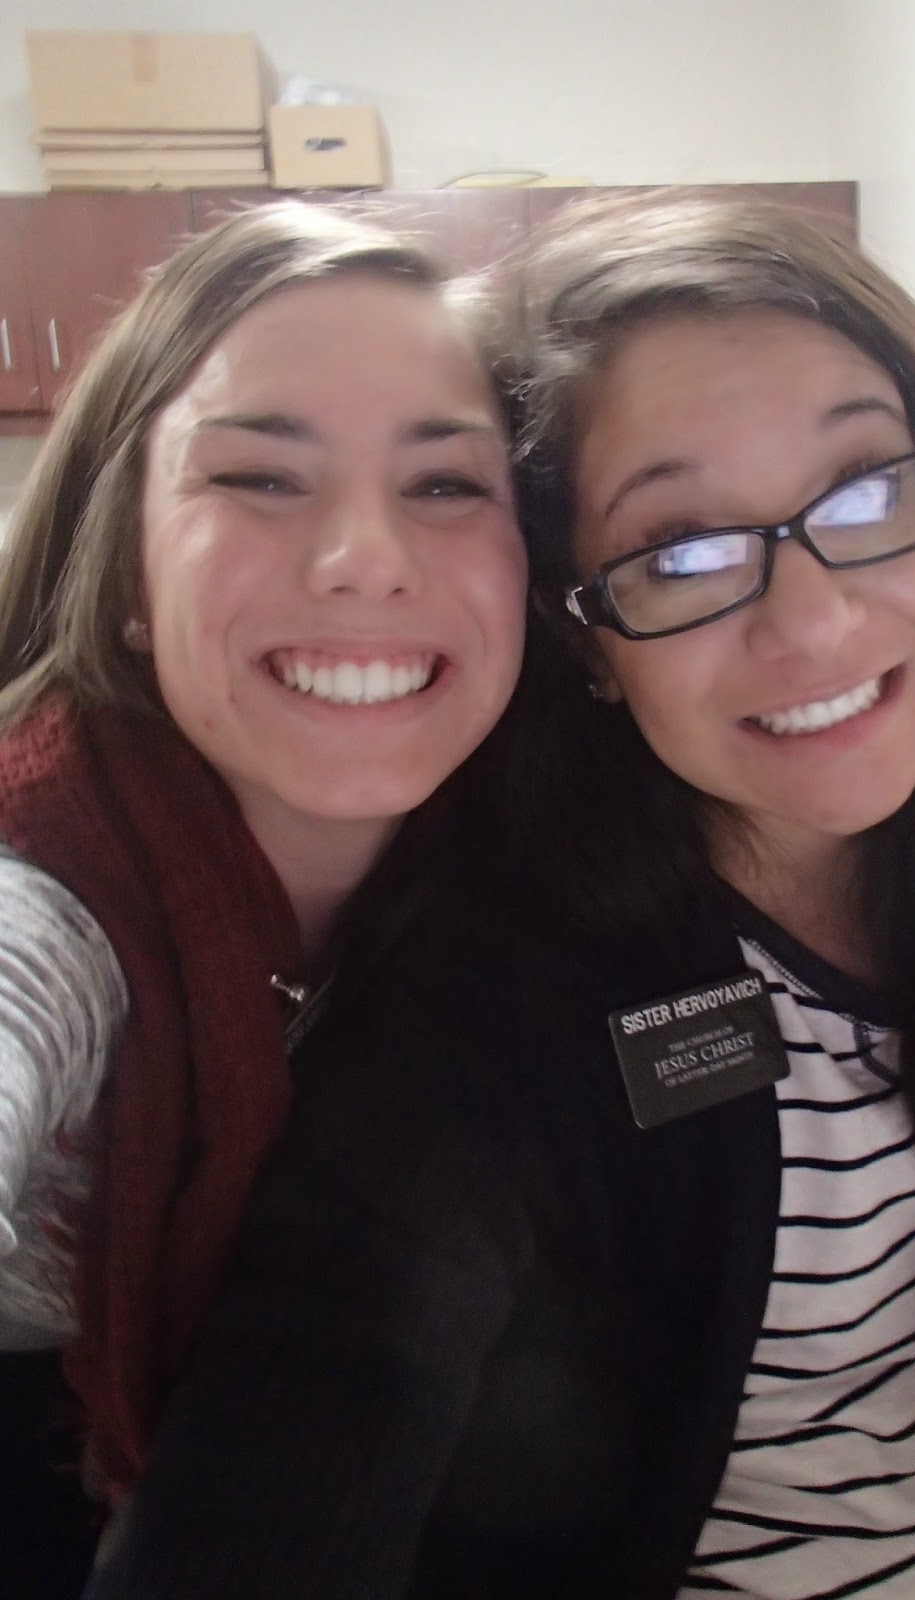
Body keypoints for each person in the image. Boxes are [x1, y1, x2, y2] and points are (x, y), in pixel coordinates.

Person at [84, 193, 915, 1600]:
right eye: (680, 551)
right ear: (589, 642)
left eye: (865, 490)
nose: (815, 620)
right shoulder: (493, 1018)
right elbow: (298, 1439)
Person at [0, 201, 526, 1595]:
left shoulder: (538, 874)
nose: (366, 556)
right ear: (124, 569)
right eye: (261, 477)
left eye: (445, 485)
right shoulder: (47, 901)